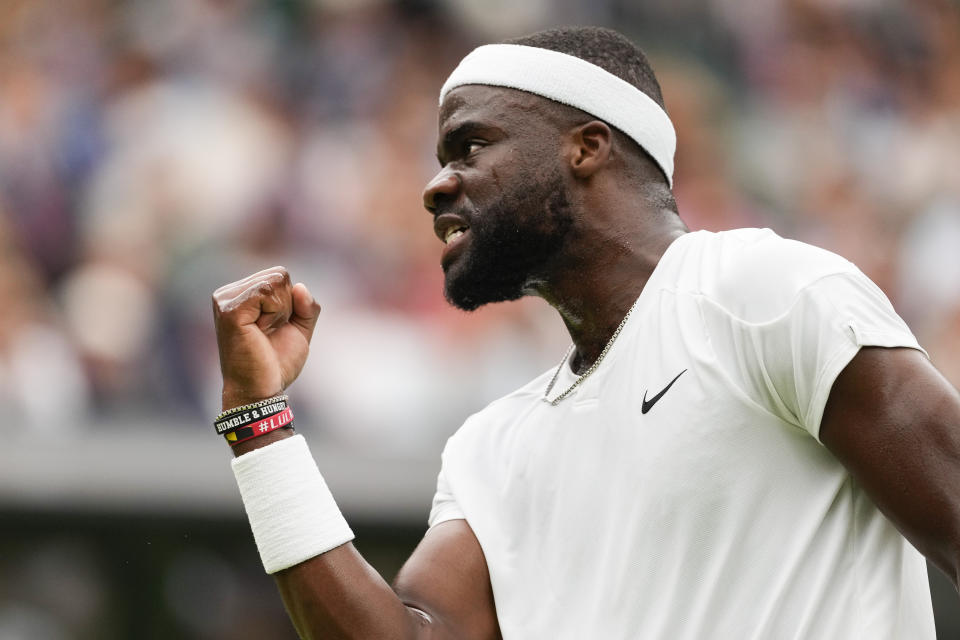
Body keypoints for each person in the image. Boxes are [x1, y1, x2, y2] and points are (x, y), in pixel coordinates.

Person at [211, 26, 960, 639]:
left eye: (470, 146)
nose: (435, 185)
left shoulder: (761, 291)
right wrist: (259, 424)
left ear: (587, 145)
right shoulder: (488, 448)